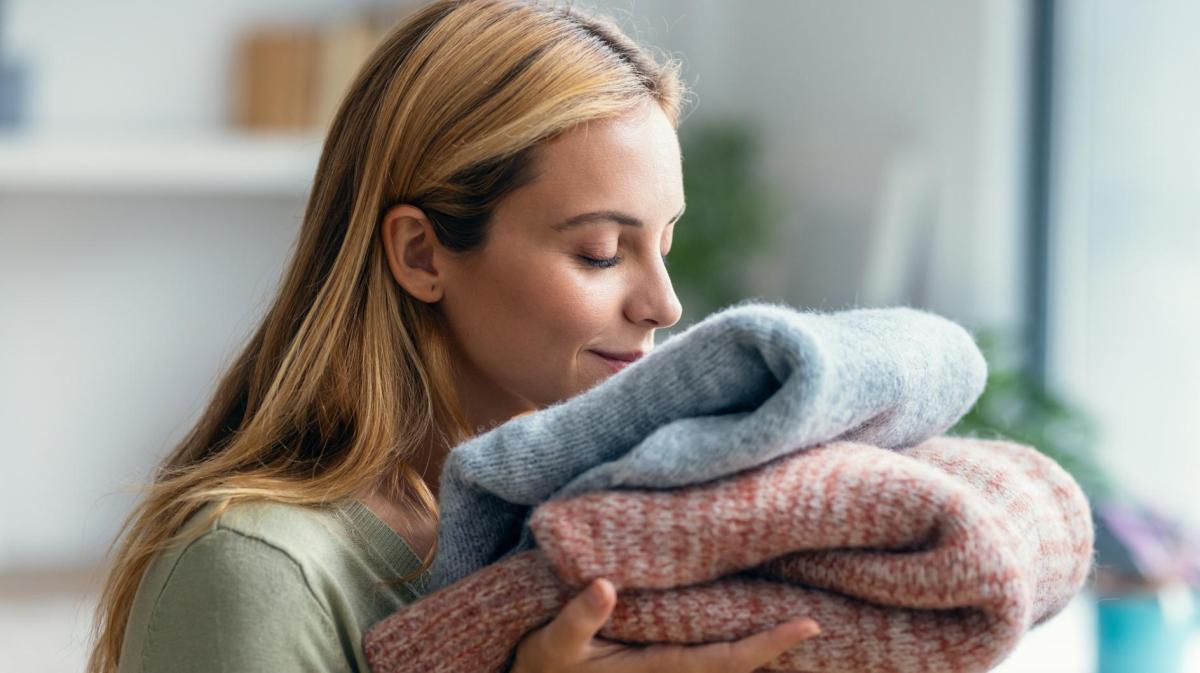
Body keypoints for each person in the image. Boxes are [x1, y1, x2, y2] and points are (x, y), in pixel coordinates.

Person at [86, 1, 821, 672]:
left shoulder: (590, 528)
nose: (664, 304)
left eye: (664, 243)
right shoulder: (252, 571)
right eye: (600, 251)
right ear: (421, 254)